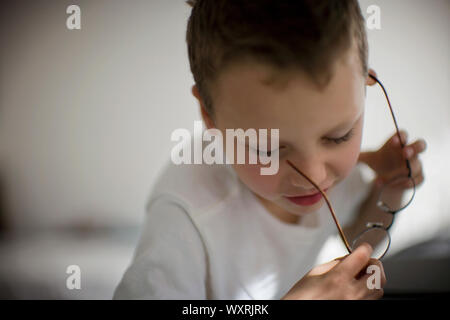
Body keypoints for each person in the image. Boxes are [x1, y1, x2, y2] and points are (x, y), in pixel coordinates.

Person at [114, 0, 427, 300]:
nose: (314, 175)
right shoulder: (185, 216)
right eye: (266, 151)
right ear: (209, 115)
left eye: (338, 137)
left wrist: (392, 189)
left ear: (366, 84)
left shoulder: (332, 175)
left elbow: (359, 234)